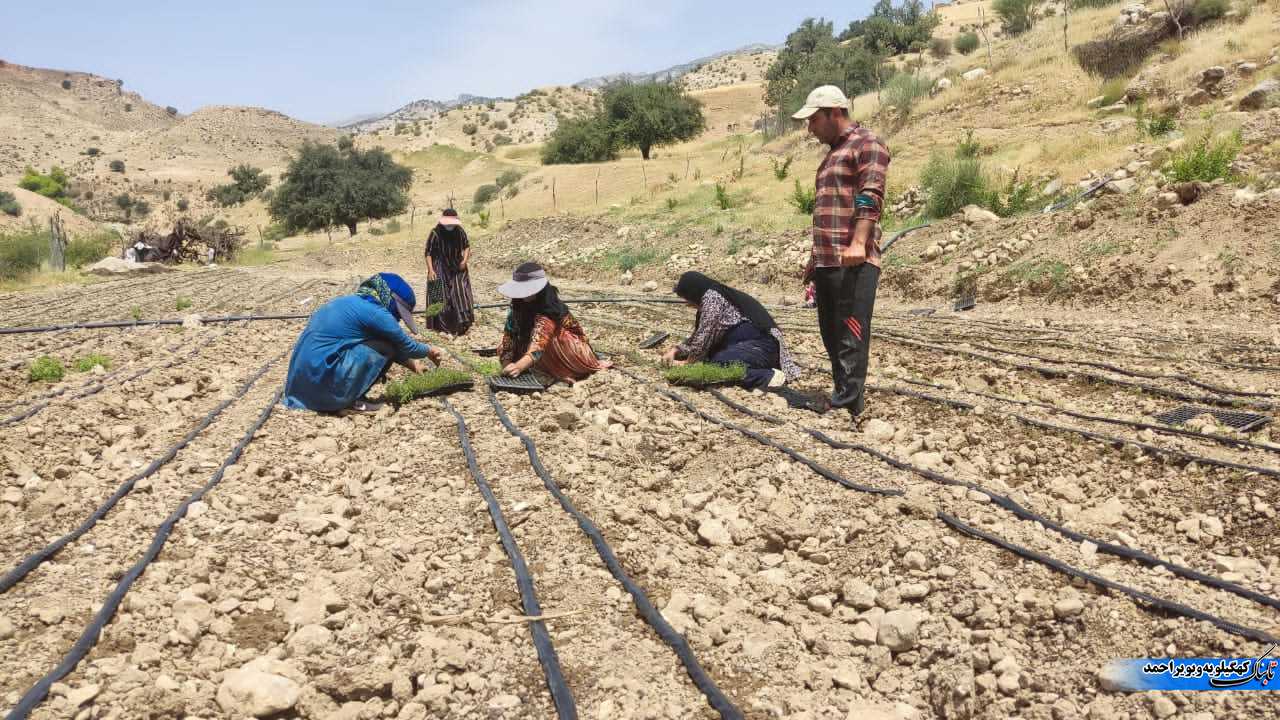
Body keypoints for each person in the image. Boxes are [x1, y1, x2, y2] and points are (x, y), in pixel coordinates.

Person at [793, 85, 890, 419]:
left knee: (850, 333)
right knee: (831, 334)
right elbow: (829, 209)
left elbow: (870, 194)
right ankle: (845, 397)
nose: (810, 128)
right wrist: (814, 258)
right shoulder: (833, 153)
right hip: (828, 260)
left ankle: (848, 402)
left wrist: (860, 242)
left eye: (814, 120)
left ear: (835, 112)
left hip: (853, 261)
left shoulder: (867, 144)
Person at [283, 272, 442, 413]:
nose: (398, 318)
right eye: (399, 312)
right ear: (390, 297)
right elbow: (405, 345)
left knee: (383, 343)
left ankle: (340, 396)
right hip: (323, 385)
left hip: (302, 388)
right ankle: (349, 400)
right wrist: (429, 350)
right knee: (385, 347)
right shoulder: (375, 312)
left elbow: (392, 342)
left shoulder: (350, 302)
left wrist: (414, 365)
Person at [663, 272, 801, 389]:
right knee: (711, 360)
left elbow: (704, 337)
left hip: (762, 347)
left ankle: (766, 376)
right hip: (750, 347)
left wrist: (688, 363)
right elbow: (699, 336)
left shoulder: (713, 299)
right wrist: (676, 350)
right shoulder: (709, 300)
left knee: (718, 365)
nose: (688, 304)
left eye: (687, 299)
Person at [495, 262, 610, 385]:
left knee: (552, 339)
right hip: (542, 351)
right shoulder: (517, 309)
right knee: (505, 346)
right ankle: (544, 371)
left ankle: (562, 373)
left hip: (570, 351)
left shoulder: (548, 310)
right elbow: (509, 338)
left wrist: (518, 366)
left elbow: (538, 346)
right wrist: (507, 365)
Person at [424, 208, 474, 336]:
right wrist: (431, 270)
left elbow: (466, 246)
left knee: (460, 291)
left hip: (456, 265)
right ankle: (440, 327)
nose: (450, 226)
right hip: (440, 265)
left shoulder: (459, 231)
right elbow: (428, 253)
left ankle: (462, 324)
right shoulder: (435, 233)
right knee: (438, 292)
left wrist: (464, 260)